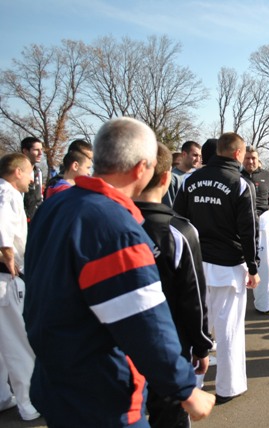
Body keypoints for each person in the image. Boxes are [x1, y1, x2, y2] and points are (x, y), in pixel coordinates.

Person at [24, 117, 215, 426]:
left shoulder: (54, 207)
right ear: (141, 168)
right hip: (103, 394)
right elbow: (145, 321)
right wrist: (185, 389)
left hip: (55, 381)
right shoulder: (115, 227)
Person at [173, 132, 259, 403]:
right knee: (229, 328)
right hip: (227, 266)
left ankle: (191, 384)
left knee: (195, 328)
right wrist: (253, 267)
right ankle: (228, 386)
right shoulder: (241, 184)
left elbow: (178, 222)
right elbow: (248, 231)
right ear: (237, 153)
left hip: (195, 264)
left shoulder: (190, 181)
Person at [134, 144, 213, 426]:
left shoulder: (103, 223)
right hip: (169, 346)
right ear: (167, 177)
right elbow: (193, 297)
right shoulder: (179, 231)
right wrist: (201, 346)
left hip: (116, 349)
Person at [0, 153, 39, 421]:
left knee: (4, 342)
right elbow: (3, 229)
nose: (31, 180)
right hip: (7, 276)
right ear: (17, 172)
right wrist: (8, 257)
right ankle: (29, 403)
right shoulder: (8, 193)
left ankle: (3, 395)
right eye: (29, 173)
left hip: (5, 275)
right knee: (18, 342)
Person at [241, 147, 269, 315]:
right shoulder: (236, 175)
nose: (250, 161)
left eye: (253, 158)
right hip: (240, 225)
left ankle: (262, 304)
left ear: (258, 159)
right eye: (247, 158)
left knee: (262, 265)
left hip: (262, 224)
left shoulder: (267, 175)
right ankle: (237, 305)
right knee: (240, 265)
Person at [163, 141, 202, 207]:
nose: (198, 159)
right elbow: (169, 207)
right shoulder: (172, 178)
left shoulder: (199, 176)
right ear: (184, 154)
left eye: (200, 156)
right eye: (195, 155)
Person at [20, 137, 44, 220]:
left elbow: (39, 197)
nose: (40, 153)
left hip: (35, 219)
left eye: (41, 150)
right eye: (36, 150)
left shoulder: (38, 172)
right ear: (25, 151)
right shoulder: (17, 172)